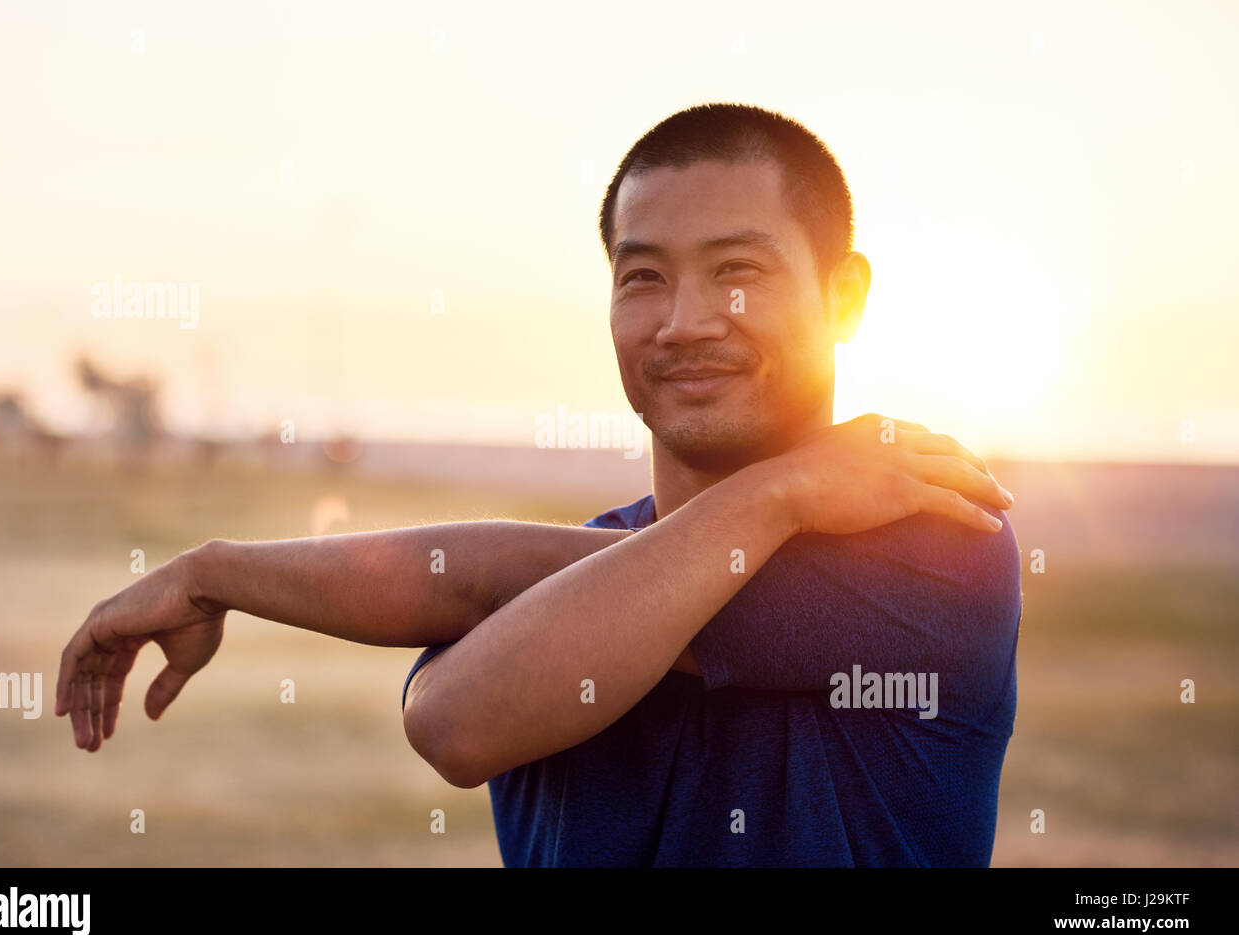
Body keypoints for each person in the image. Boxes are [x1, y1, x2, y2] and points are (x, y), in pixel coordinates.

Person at [56, 102, 1021, 866]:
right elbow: (464, 672)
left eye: (736, 272)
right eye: (643, 278)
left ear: (844, 295)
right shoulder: (576, 575)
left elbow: (455, 701)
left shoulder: (936, 540)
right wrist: (212, 568)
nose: (686, 321)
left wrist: (219, 572)